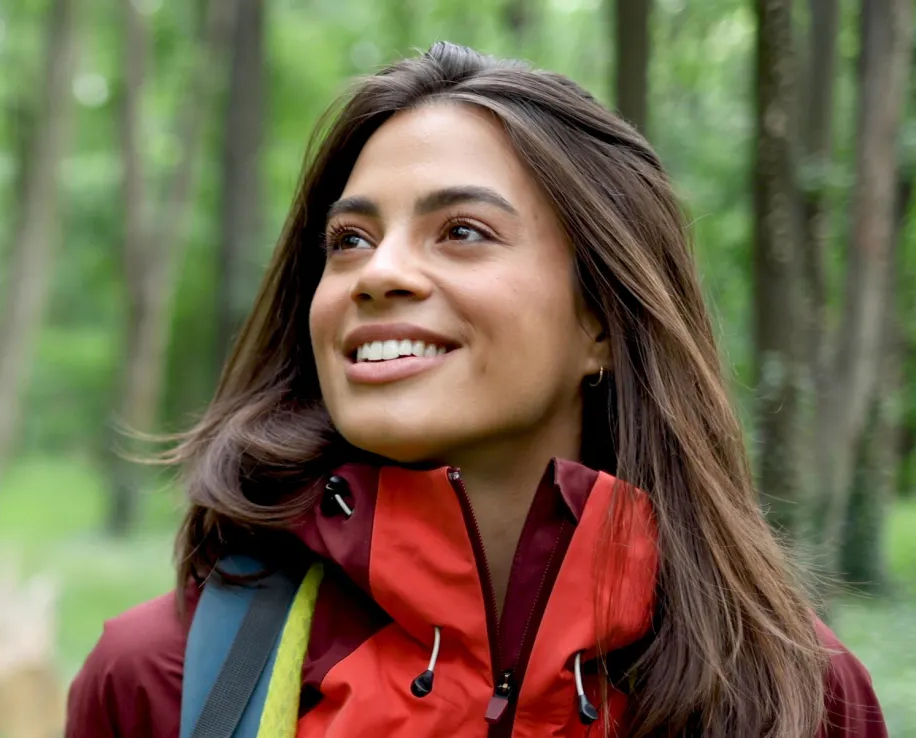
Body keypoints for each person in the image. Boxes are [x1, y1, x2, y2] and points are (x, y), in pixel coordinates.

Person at [65, 42, 886, 737]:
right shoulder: (161, 681)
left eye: (462, 232)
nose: (377, 272)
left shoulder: (799, 696)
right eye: (349, 240)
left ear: (601, 319)